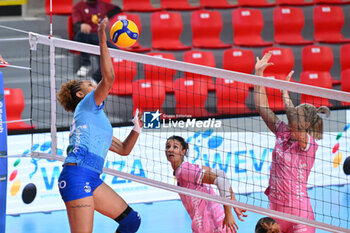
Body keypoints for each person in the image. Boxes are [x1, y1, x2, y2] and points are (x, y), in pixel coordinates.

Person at [57, 18, 141, 233]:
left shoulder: (94, 119)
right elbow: (109, 77)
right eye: (89, 85)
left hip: (92, 177)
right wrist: (102, 37)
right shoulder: (86, 105)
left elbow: (123, 150)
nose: (94, 86)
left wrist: (137, 128)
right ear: (80, 94)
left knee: (131, 221)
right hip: (77, 176)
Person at [254, 52, 330, 233]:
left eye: (297, 115)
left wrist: (285, 94)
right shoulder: (282, 132)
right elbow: (262, 108)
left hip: (300, 215)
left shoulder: (308, 143)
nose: (291, 117)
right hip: (275, 210)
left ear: (306, 124)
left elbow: (295, 124)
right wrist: (258, 74)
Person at [165, 135, 248, 233]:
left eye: (175, 147)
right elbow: (221, 174)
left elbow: (221, 180)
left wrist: (228, 213)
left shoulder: (185, 171)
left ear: (183, 151)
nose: (170, 149)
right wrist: (234, 204)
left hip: (212, 224)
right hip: (210, 222)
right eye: (168, 146)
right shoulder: (186, 168)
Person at [72, 0, 122, 81]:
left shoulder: (102, 4)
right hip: (85, 37)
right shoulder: (78, 6)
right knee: (82, 33)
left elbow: (118, 8)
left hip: (98, 37)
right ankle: (86, 64)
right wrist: (82, 25)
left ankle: (95, 79)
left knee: (117, 52)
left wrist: (107, 16)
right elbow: (76, 25)